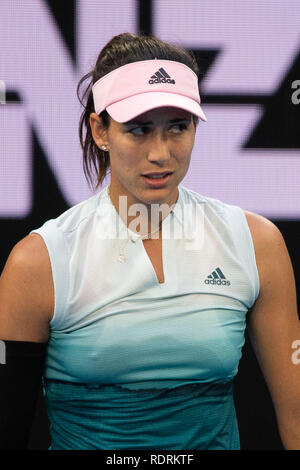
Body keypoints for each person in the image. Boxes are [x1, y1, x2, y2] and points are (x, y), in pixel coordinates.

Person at [0, 32, 300, 451]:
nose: (161, 153)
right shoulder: (38, 263)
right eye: (138, 130)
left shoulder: (257, 244)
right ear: (100, 131)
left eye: (178, 127)